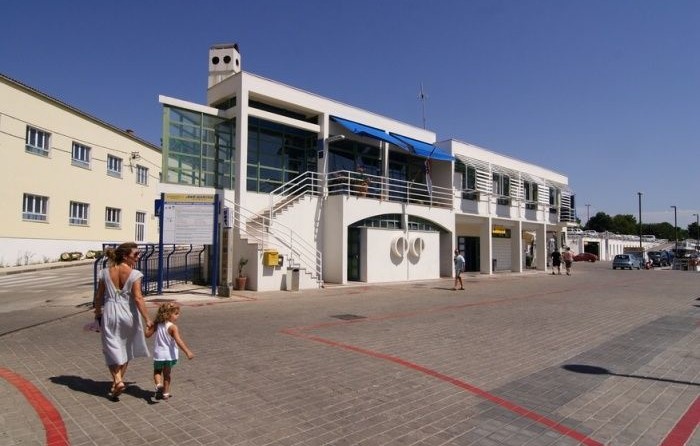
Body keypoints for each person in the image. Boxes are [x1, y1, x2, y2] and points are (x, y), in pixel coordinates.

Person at [93, 242, 153, 399]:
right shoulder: (135, 274)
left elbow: (99, 296)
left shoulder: (104, 273)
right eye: (136, 254)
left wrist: (98, 314)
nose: (138, 256)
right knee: (125, 348)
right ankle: (117, 383)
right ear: (125, 256)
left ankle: (117, 380)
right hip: (129, 313)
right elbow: (138, 298)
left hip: (110, 312)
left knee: (110, 348)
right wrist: (147, 319)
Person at [145, 302, 194, 400]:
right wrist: (187, 351)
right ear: (168, 314)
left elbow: (147, 335)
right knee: (167, 375)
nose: (178, 316)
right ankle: (166, 393)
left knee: (157, 371)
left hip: (159, 355)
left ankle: (159, 385)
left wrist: (147, 326)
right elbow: (178, 340)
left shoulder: (157, 324)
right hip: (169, 356)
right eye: (176, 314)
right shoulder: (173, 327)